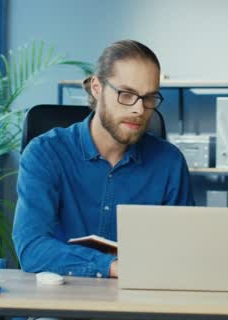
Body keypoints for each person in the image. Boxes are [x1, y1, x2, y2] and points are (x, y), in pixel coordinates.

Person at [13, 40, 194, 279]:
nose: (139, 109)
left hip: (141, 305)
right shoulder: (45, 153)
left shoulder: (170, 163)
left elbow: (185, 252)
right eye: (127, 94)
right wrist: (111, 266)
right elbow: (32, 249)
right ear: (97, 88)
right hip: (60, 303)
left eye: (149, 98)